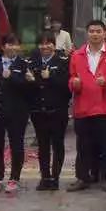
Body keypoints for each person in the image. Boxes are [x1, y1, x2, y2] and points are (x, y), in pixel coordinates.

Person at [68, 20, 106, 192]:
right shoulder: (77, 55)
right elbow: (72, 77)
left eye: (98, 31)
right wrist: (74, 83)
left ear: (104, 33)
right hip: (83, 108)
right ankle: (82, 177)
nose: (95, 34)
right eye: (92, 31)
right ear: (87, 33)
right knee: (83, 146)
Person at [0, 34, 32, 195]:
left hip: (17, 113)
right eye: (9, 44)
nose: (12, 47)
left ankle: (14, 178)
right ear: (2, 47)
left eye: (15, 44)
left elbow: (29, 89)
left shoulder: (25, 64)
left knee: (16, 145)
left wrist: (14, 77)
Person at [27, 32, 70, 190]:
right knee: (43, 145)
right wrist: (32, 81)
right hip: (38, 111)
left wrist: (50, 77)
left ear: (54, 44)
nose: (45, 46)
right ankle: (45, 177)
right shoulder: (32, 62)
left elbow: (67, 87)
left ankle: (55, 178)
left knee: (58, 144)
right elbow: (27, 87)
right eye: (42, 43)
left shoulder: (63, 61)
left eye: (48, 43)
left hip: (58, 111)